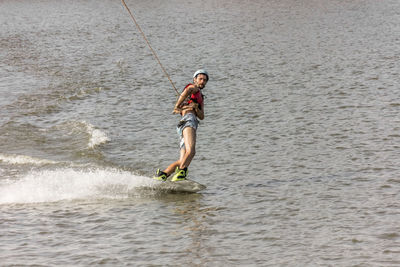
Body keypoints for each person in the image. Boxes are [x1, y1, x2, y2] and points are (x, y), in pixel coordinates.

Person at [153, 69, 209, 181]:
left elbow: (202, 116)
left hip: (184, 124)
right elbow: (187, 90)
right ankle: (180, 175)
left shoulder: (200, 97)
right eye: (200, 79)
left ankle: (162, 175)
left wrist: (196, 107)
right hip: (189, 120)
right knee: (191, 151)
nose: (202, 81)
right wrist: (177, 106)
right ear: (195, 79)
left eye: (204, 80)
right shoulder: (194, 88)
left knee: (183, 159)